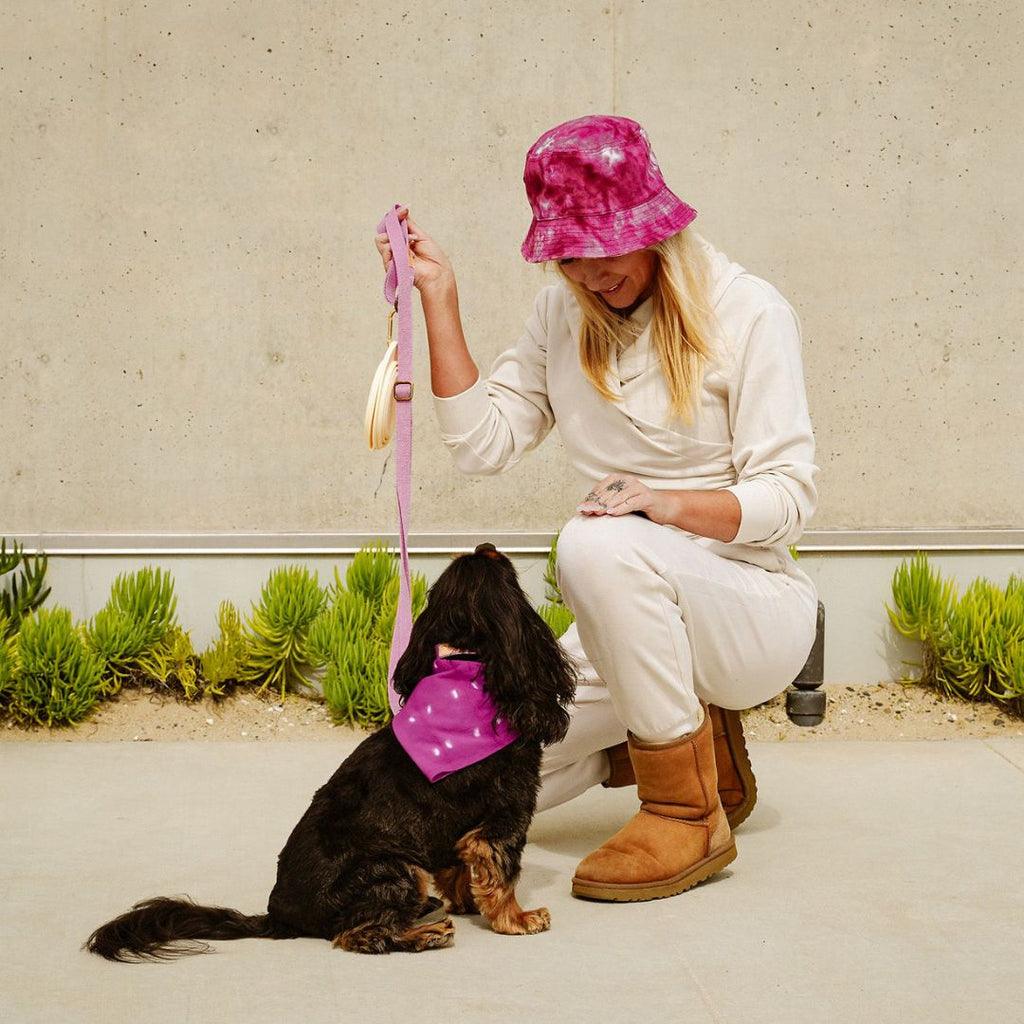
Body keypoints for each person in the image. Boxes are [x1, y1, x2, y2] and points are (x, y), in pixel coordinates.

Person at [374, 114, 818, 904]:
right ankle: (699, 750)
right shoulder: (562, 316)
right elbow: (482, 444)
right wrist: (438, 297)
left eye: (600, 247)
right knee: (452, 767)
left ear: (652, 229)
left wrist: (663, 504)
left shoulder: (750, 312)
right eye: (566, 254)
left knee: (593, 545)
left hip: (750, 609)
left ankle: (685, 810)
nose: (584, 270)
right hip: (631, 617)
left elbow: (787, 500)